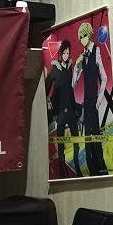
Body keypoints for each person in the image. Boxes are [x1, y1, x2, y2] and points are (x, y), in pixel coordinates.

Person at [72, 22, 109, 176]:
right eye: (80, 37)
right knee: (88, 136)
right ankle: (92, 169)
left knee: (95, 135)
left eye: (84, 36)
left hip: (93, 101)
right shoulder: (83, 54)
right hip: (86, 102)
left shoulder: (96, 50)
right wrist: (76, 65)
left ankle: (101, 169)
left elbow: (104, 78)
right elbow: (73, 83)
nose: (82, 39)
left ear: (89, 35)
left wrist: (98, 102)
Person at [45, 39, 82, 178]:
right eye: (64, 52)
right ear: (60, 53)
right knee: (60, 144)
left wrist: (75, 108)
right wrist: (49, 102)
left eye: (68, 52)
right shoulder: (55, 68)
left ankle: (77, 166)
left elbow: (70, 90)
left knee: (76, 141)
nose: (66, 55)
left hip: (71, 111)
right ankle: (62, 170)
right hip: (60, 112)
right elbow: (47, 87)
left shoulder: (69, 68)